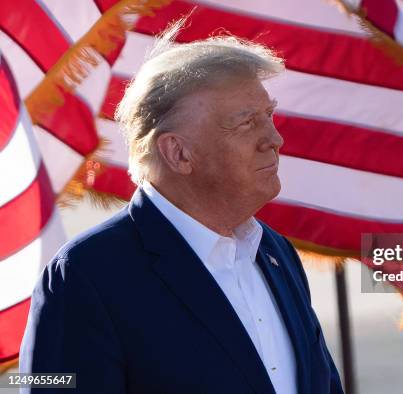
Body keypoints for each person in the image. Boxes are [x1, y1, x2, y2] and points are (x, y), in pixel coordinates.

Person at [19, 24, 343, 394]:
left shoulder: (275, 252)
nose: (274, 139)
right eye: (247, 123)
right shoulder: (86, 275)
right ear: (178, 152)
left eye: (268, 115)